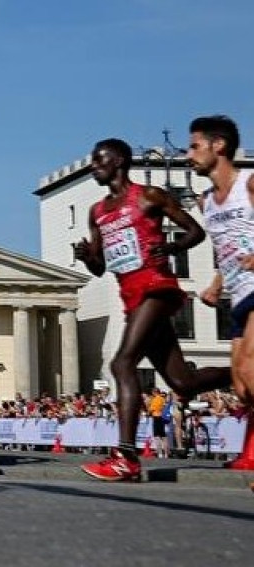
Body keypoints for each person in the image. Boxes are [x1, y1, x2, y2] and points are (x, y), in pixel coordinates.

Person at [73, 137, 230, 482]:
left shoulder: (149, 196)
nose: (93, 167)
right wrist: (88, 257)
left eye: (98, 161)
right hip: (130, 296)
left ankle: (126, 457)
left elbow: (195, 232)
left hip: (156, 288)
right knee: (183, 382)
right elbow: (101, 268)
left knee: (121, 363)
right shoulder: (97, 212)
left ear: (118, 161)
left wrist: (170, 249)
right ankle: (242, 376)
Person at [187, 115, 254, 481]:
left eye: (194, 146)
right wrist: (216, 283)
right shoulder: (207, 202)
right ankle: (250, 452)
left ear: (219, 146)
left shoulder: (250, 183)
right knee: (242, 387)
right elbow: (228, 249)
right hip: (238, 290)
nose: (188, 155)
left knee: (248, 370)